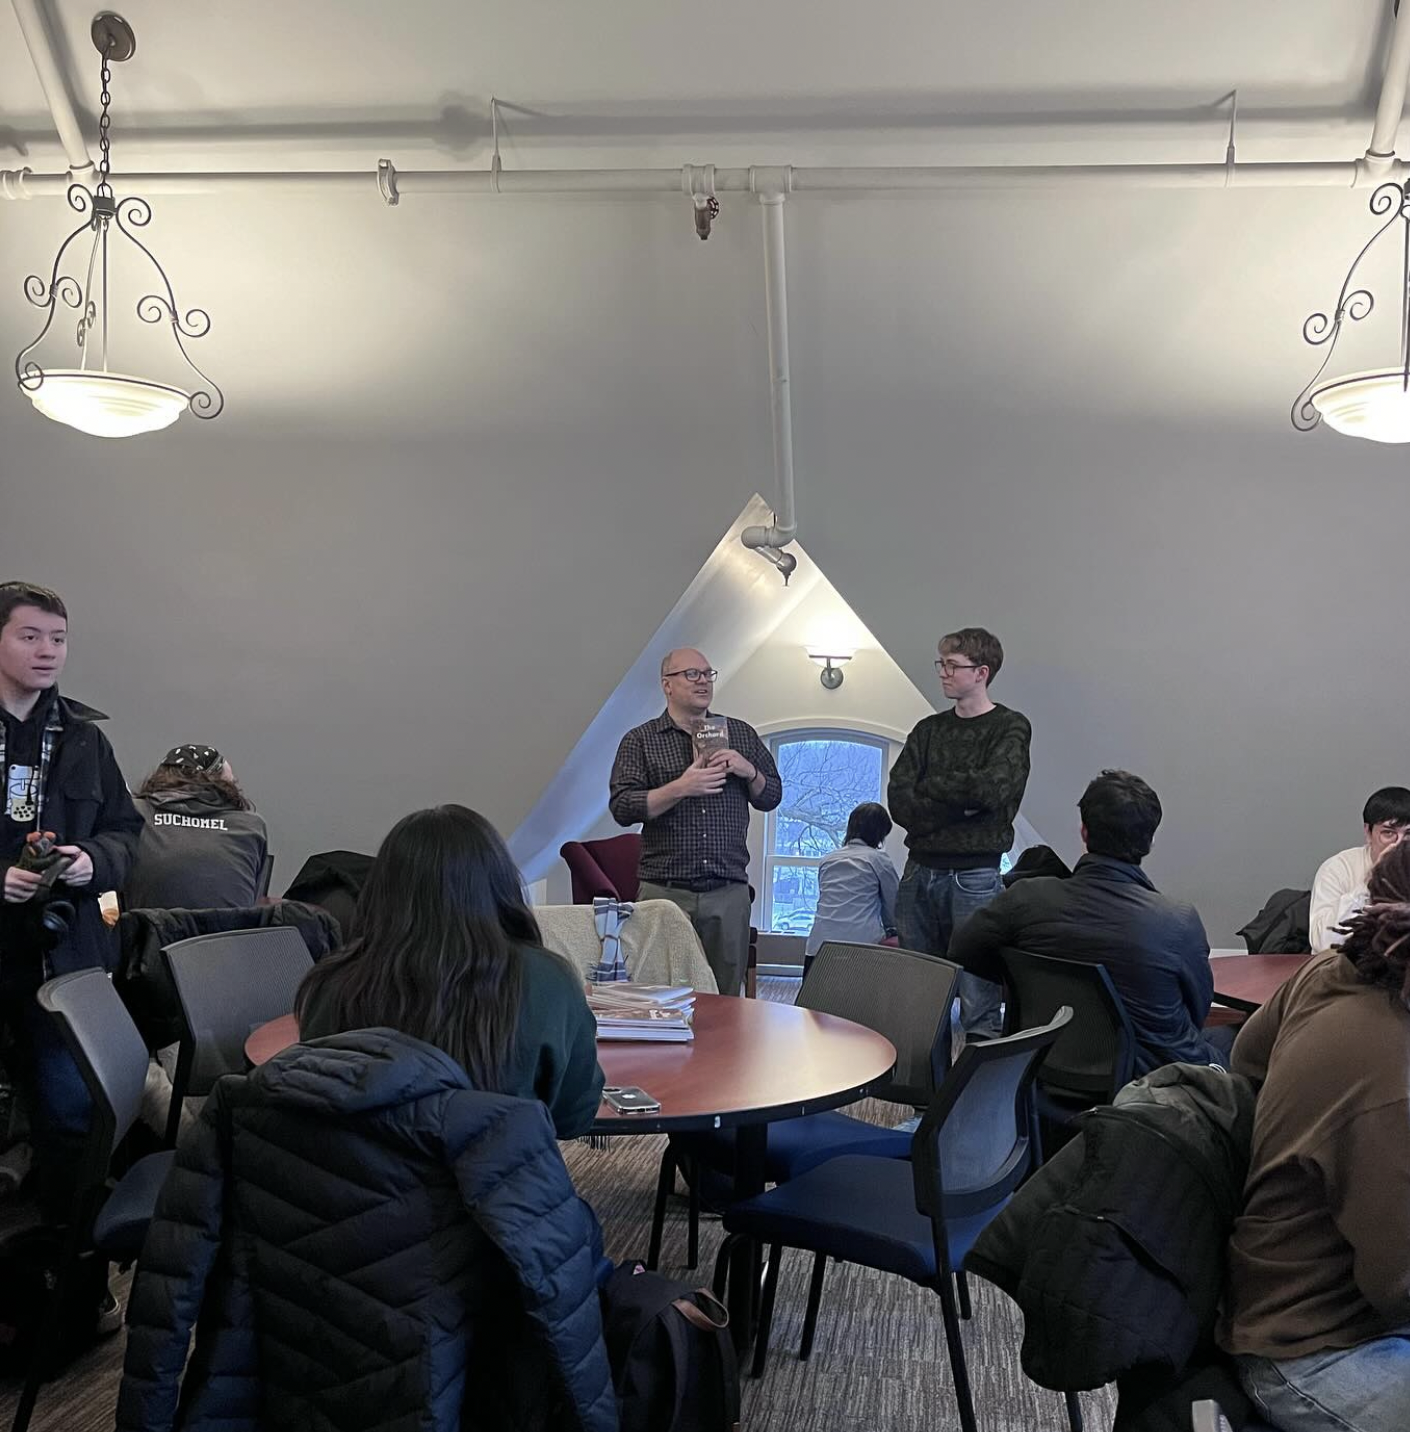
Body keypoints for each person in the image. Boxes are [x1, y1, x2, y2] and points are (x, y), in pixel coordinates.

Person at [1219, 841, 1410, 1432]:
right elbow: (1399, 1285)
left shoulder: (1330, 973)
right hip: (1311, 1349)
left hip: (1266, 1275)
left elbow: (1244, 1066)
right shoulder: (1394, 1079)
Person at [296, 804, 604, 1139]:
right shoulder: (547, 980)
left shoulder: (332, 981)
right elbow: (573, 1118)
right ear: (498, 884)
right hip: (494, 1187)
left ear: (381, 888)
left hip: (360, 1186)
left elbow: (317, 1106)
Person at [0, 581, 143, 1217]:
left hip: (64, 956)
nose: (48, 651)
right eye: (29, 636)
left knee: (71, 1113)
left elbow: (127, 833)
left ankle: (63, 1267)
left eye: (58, 639)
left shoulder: (86, 738)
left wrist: (94, 861)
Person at [948, 769, 1230, 1071]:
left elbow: (962, 949)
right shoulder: (1178, 922)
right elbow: (1197, 1011)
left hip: (1042, 1067)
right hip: (1151, 1082)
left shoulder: (1026, 898)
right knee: (1233, 1040)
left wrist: (1022, 982)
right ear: (1149, 841)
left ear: (1084, 831)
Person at [608, 649, 782, 996]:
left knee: (725, 998)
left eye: (707, 673)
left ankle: (724, 1054)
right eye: (691, 674)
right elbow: (622, 807)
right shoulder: (640, 740)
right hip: (664, 891)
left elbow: (772, 795)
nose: (703, 681)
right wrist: (681, 788)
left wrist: (748, 771)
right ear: (667, 685)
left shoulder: (742, 735)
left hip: (727, 890)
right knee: (658, 994)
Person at [888, 626, 1031, 1037]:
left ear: (981, 672)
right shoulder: (927, 731)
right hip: (919, 873)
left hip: (975, 878)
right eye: (942, 663)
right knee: (920, 1003)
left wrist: (931, 789)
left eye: (953, 665)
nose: (943, 673)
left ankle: (974, 1102)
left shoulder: (1009, 727)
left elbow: (991, 790)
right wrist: (961, 804)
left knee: (979, 1005)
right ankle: (925, 1102)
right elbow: (900, 801)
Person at [127, 744, 270, 909]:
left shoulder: (134, 813)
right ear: (222, 785)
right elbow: (252, 898)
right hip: (226, 932)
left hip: (148, 932)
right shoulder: (251, 826)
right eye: (232, 783)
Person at [1308, 785, 1410, 950]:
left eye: (1408, 834)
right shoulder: (1337, 869)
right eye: (1388, 833)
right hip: (1346, 967)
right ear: (1368, 833)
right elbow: (1323, 943)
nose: (1398, 844)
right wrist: (1372, 879)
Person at [805, 801, 900, 959]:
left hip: (819, 946)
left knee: (817, 985)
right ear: (880, 834)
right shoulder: (879, 860)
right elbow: (894, 905)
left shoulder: (827, 860)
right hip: (862, 947)